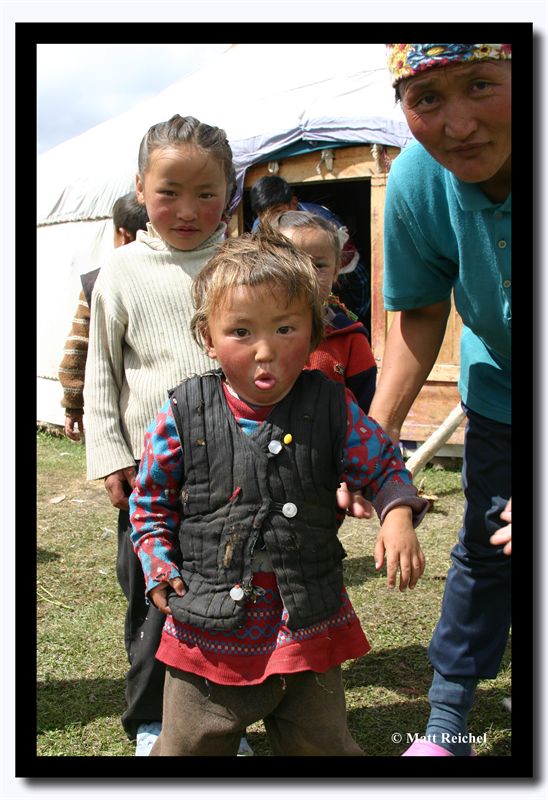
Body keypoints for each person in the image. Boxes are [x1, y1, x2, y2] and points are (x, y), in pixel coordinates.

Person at [129, 230, 429, 756]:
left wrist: (397, 513)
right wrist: (159, 567)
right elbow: (150, 504)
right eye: (240, 331)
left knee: (322, 746)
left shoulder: (333, 408)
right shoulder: (182, 413)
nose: (265, 351)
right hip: (208, 632)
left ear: (315, 332)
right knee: (190, 747)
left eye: (286, 328)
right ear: (207, 336)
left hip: (307, 626)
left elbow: (383, 466)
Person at [367, 43, 512, 757]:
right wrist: (373, 438)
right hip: (505, 391)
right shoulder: (420, 181)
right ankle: (447, 725)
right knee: (490, 547)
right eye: (427, 100)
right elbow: (421, 311)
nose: (457, 126)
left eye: (482, 85)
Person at [83, 114, 237, 756]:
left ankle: (220, 720)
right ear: (141, 187)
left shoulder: (242, 264)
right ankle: (151, 720)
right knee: (155, 600)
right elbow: (102, 373)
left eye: (207, 193)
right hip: (153, 480)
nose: (187, 208)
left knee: (233, 597)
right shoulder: (120, 271)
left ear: (231, 192)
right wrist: (112, 454)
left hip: (236, 472)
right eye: (169, 190)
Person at [58, 193, 149, 441]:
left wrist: (73, 404)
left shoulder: (96, 282)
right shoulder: (172, 275)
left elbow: (78, 347)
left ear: (123, 234)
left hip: (118, 413)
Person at [270, 209, 377, 414]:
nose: (306, 275)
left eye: (318, 265)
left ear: (336, 271)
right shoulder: (254, 334)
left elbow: (366, 415)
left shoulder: (350, 340)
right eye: (290, 263)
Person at [249, 175, 371, 330]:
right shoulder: (260, 227)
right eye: (263, 215)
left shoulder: (325, 223)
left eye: (278, 211)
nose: (271, 220)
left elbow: (356, 276)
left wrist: (358, 317)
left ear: (293, 203)